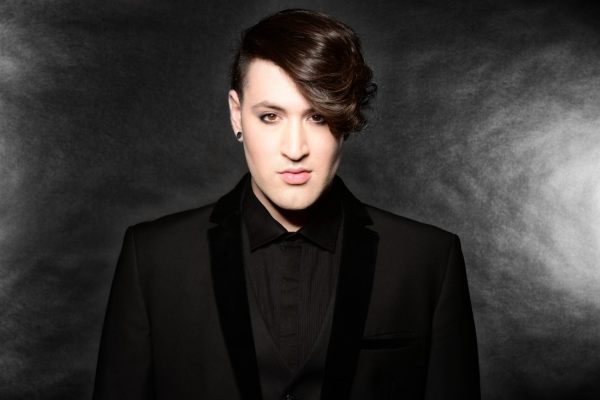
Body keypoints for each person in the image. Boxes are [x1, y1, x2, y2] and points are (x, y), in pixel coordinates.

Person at [93, 8, 480, 400]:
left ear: (345, 119)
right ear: (236, 115)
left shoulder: (428, 261)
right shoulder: (154, 259)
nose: (295, 149)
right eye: (270, 116)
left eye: (318, 117)